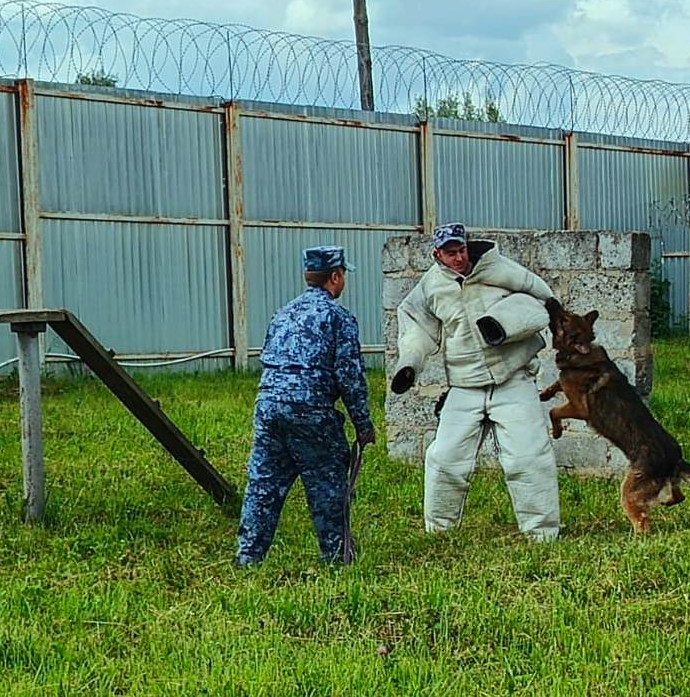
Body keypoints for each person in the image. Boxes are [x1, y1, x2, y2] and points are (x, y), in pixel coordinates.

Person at [390, 221, 560, 540]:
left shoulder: (502, 270)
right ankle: (438, 532)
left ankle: (542, 533)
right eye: (451, 253)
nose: (459, 258)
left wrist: (529, 323)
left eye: (462, 250)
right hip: (465, 385)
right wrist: (409, 364)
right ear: (436, 254)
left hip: (513, 378)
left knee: (528, 456)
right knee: (444, 458)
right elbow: (417, 328)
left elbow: (544, 300)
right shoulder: (430, 286)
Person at [236, 245, 375, 565]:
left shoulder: (283, 313)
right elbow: (349, 377)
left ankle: (247, 558)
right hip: (310, 412)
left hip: (269, 408)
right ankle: (337, 558)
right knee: (328, 487)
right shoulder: (338, 318)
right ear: (336, 277)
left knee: (263, 486)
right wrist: (363, 425)